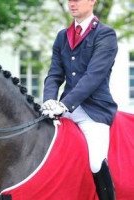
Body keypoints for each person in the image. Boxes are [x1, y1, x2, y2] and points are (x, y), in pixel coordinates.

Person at [41, 0, 117, 199]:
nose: (72, 3)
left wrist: (63, 104)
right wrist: (49, 100)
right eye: (70, 0)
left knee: (95, 160)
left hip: (95, 111)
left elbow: (94, 76)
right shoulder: (62, 36)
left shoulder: (105, 34)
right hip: (64, 109)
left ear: (92, 1)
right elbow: (54, 74)